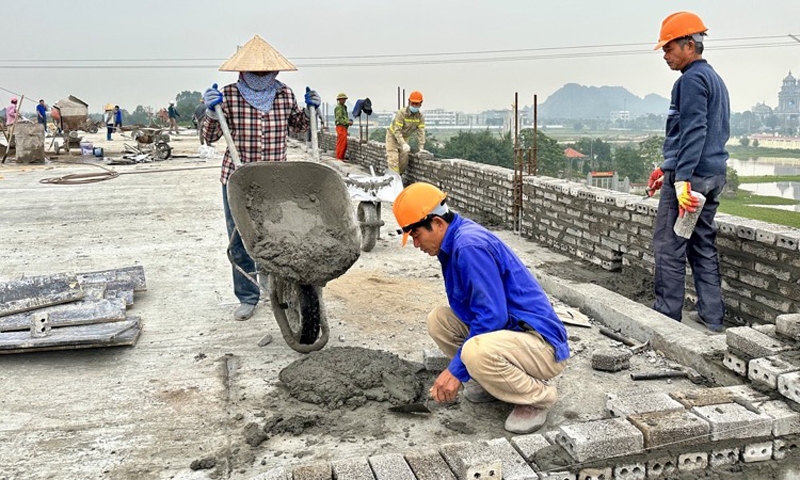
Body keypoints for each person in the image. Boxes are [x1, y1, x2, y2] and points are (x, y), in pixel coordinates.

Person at [392, 182, 570, 434]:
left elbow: (492, 317)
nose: (416, 244)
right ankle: (491, 380)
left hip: (541, 344)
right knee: (439, 320)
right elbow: (476, 311)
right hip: (511, 332)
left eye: (417, 235)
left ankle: (537, 398)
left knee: (476, 351)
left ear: (438, 223)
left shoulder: (469, 247)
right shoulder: (454, 243)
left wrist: (455, 371)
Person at [201, 34, 319, 321]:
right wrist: (211, 113)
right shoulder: (227, 96)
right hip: (238, 179)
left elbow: (299, 127)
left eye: (267, 72)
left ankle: (275, 283)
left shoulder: (284, 95)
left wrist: (312, 109)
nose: (262, 77)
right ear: (243, 71)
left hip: (276, 180)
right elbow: (209, 137)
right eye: (256, 72)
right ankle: (248, 295)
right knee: (241, 239)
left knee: (278, 236)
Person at [647, 11, 729, 333]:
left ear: (690, 45)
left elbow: (695, 130)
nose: (665, 56)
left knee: (669, 246)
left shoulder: (691, 80)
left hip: (691, 179)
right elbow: (701, 134)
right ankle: (712, 317)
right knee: (701, 244)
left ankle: (666, 318)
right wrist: (666, 167)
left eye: (669, 48)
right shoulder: (714, 79)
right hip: (711, 176)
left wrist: (680, 179)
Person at [386, 91, 426, 175]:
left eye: (417, 104)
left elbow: (421, 132)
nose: (414, 105)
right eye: (413, 103)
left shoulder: (420, 117)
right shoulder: (402, 113)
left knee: (404, 161)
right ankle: (394, 181)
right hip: (392, 137)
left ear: (420, 104)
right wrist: (403, 144)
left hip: (404, 138)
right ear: (409, 102)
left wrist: (421, 147)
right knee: (393, 160)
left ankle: (398, 177)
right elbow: (397, 131)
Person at [334, 93, 352, 160]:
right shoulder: (339, 107)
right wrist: (347, 122)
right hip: (340, 126)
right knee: (341, 143)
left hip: (344, 127)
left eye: (344, 99)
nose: (344, 100)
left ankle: (341, 157)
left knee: (344, 143)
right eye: (343, 99)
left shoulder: (344, 107)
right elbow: (339, 119)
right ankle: (339, 157)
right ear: (339, 100)